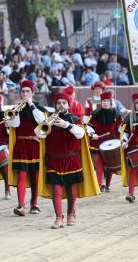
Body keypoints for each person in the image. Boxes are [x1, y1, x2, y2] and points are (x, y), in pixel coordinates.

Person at [35, 92, 99, 228]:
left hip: (71, 159)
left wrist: (66, 125)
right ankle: (59, 218)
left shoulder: (74, 119)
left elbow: (81, 134)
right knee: (56, 190)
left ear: (69, 105)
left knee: (70, 189)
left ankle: (70, 214)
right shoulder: (49, 119)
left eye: (64, 103)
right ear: (55, 105)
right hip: (54, 160)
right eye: (59, 103)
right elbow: (38, 133)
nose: (61, 105)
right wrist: (47, 122)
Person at [7, 80, 47, 216]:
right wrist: (16, 111)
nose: (25, 94)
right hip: (21, 146)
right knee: (22, 176)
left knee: (35, 177)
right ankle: (21, 205)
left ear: (32, 93)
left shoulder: (38, 108)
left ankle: (34, 204)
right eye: (23, 91)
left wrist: (30, 104)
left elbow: (42, 121)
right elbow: (15, 125)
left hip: (35, 146)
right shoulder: (16, 108)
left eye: (27, 91)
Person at [86, 92, 123, 192]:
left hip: (112, 141)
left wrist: (121, 135)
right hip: (98, 141)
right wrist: (92, 134)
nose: (105, 103)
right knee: (99, 162)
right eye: (103, 101)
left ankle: (107, 185)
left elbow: (121, 127)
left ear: (110, 102)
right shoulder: (95, 114)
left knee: (109, 163)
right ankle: (99, 184)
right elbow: (89, 126)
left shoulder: (117, 114)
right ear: (101, 102)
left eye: (107, 101)